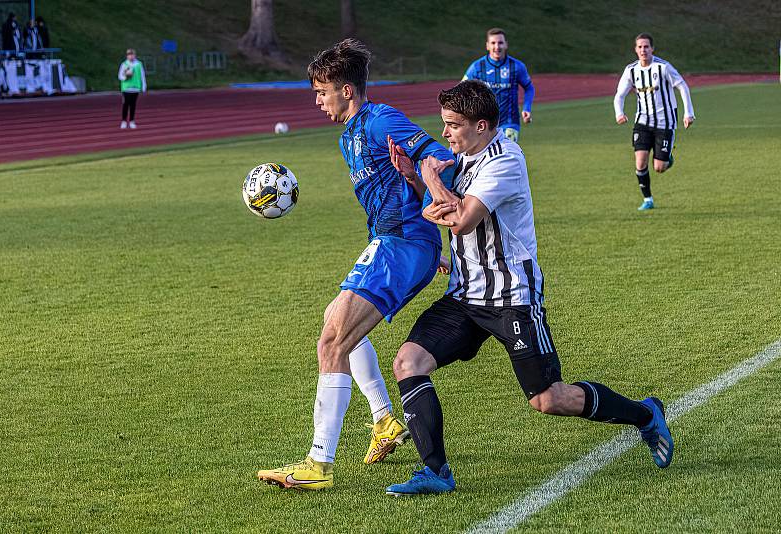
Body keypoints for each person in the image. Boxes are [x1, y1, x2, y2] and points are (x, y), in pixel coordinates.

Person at [383, 80, 674, 496]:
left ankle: (645, 415)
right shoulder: (465, 156)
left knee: (547, 399)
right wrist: (415, 178)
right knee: (408, 362)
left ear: (482, 125)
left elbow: (461, 218)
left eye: (453, 125)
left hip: (511, 298)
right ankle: (435, 472)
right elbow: (442, 207)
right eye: (444, 124)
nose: (445, 133)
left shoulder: (505, 161)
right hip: (465, 294)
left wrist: (429, 180)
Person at [257, 38, 456, 491]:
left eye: (322, 91)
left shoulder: (379, 119)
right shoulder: (348, 135)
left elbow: (436, 155)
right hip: (400, 243)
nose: (317, 100)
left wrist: (433, 201)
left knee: (332, 339)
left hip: (400, 245)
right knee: (335, 322)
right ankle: (384, 419)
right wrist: (431, 244)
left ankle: (317, 463)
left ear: (347, 90)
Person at [614, 33, 695, 211]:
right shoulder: (631, 70)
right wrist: (619, 113)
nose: (643, 50)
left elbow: (682, 85)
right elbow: (619, 95)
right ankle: (648, 199)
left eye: (646, 47)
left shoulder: (663, 67)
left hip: (664, 122)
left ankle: (667, 158)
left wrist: (688, 113)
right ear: (635, 49)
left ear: (652, 49)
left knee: (659, 167)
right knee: (640, 162)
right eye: (640, 47)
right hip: (642, 121)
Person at [463, 28, 534, 143]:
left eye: (500, 43)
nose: (497, 47)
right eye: (493, 43)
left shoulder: (517, 66)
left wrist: (527, 108)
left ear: (506, 45)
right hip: (484, 123)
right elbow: (462, 90)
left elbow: (529, 88)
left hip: (510, 122)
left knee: (506, 155)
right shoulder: (477, 67)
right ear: (487, 46)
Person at [117, 48, 147, 129]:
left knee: (133, 105)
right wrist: (125, 77)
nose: (131, 56)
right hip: (126, 88)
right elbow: (120, 76)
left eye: (132, 54)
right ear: (127, 56)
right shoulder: (124, 64)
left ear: (135, 55)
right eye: (129, 55)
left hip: (135, 88)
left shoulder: (139, 64)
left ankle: (131, 121)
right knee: (125, 104)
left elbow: (142, 75)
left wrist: (144, 85)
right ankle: (123, 121)